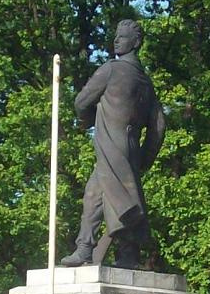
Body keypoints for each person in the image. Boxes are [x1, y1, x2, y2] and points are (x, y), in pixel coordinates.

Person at [60, 19, 166, 269]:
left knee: (106, 195)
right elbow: (159, 126)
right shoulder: (146, 82)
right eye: (116, 36)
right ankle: (118, 252)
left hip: (111, 143)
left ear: (136, 42)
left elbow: (81, 101)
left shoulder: (111, 70)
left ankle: (87, 248)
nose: (116, 40)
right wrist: (144, 158)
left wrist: (86, 122)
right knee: (99, 192)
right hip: (131, 149)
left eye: (122, 36)